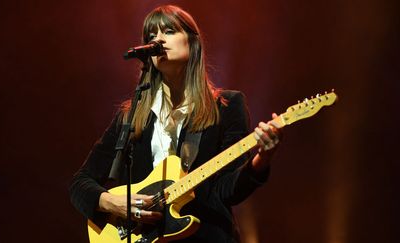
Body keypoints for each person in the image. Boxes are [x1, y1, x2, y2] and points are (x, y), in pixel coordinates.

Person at [69, 5, 282, 243]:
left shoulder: (226, 106)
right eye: (151, 36)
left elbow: (227, 190)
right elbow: (80, 184)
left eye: (168, 31)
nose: (158, 39)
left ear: (193, 43)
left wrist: (262, 160)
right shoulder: (132, 117)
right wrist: (112, 202)